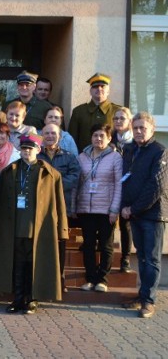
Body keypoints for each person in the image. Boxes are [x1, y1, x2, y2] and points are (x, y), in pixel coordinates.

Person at [0, 134, 68, 314]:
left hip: (39, 227)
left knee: (34, 263)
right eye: (24, 148)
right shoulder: (9, 172)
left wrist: (62, 230)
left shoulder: (51, 175)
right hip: (13, 226)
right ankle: (18, 298)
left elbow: (60, 204)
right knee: (18, 263)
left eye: (30, 148)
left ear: (38, 150)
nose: (26, 152)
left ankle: (32, 299)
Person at [121, 112, 168, 318]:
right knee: (141, 256)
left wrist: (133, 208)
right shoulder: (130, 150)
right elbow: (125, 180)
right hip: (135, 214)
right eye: (136, 127)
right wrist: (125, 206)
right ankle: (142, 296)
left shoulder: (160, 151)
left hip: (153, 215)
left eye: (143, 128)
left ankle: (148, 301)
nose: (139, 131)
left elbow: (155, 186)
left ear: (152, 129)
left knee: (152, 259)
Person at [74, 123, 122, 293]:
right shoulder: (82, 157)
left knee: (106, 245)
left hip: (106, 209)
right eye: (95, 135)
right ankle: (90, 278)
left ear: (109, 138)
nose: (98, 138)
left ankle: (102, 279)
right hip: (86, 208)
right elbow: (77, 183)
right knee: (88, 245)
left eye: (102, 136)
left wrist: (114, 209)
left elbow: (118, 184)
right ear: (91, 137)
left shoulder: (115, 158)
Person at [38, 123, 81, 291]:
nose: (50, 136)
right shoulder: (37, 156)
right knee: (41, 243)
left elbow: (75, 177)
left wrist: (52, 184)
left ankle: (59, 278)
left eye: (53, 133)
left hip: (61, 207)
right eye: (46, 133)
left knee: (60, 244)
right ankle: (42, 278)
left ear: (60, 137)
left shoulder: (69, 157)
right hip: (40, 207)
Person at [68, 73, 122, 151]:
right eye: (95, 86)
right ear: (90, 91)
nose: (99, 89)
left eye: (102, 86)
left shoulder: (117, 110)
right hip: (84, 158)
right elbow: (72, 139)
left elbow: (123, 135)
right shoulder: (78, 111)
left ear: (108, 91)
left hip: (111, 158)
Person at [111, 107, 134, 272]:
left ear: (129, 121)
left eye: (122, 118)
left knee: (125, 224)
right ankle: (105, 254)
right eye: (116, 118)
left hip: (128, 186)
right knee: (108, 221)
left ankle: (125, 258)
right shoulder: (109, 138)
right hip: (110, 185)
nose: (118, 121)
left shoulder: (135, 141)